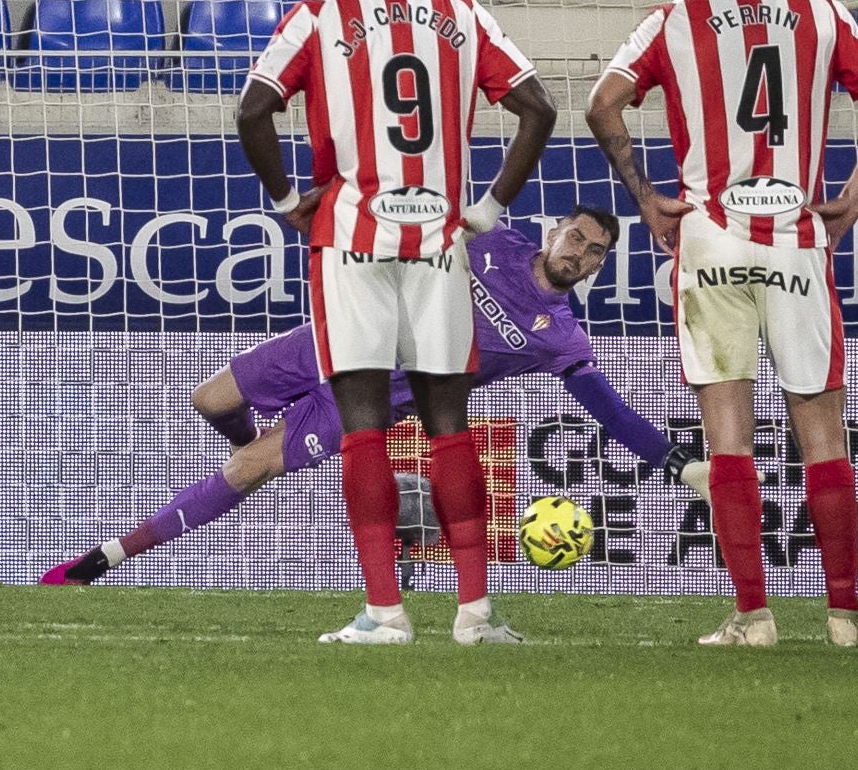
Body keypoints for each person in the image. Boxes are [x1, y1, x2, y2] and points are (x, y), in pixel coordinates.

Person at [586, 0, 858, 649]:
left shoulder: (673, 19)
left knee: (728, 436)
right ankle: (843, 618)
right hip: (796, 235)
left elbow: (604, 103)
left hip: (710, 235)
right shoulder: (822, 10)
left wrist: (644, 196)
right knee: (822, 435)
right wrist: (854, 196)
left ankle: (753, 616)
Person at [43, 209, 713, 585]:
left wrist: (683, 466)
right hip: (337, 337)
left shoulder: (561, 339)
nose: (582, 254)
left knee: (246, 471)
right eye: (577, 238)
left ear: (598, 265)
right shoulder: (495, 239)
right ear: (554, 231)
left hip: (365, 399)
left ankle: (101, 560)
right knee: (208, 399)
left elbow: (614, 414)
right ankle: (259, 436)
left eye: (596, 253)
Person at [234, 0, 557, 646]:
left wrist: (286, 201)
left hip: (351, 241)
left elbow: (252, 110)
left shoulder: (317, 16)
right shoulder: (461, 13)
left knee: (365, 429)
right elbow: (539, 107)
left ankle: (386, 613)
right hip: (439, 240)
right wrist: (487, 211)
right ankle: (475, 613)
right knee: (450, 427)